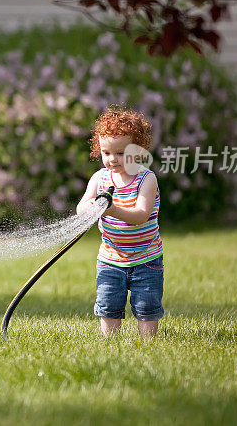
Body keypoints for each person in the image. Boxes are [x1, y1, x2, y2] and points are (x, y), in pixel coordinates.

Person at [76, 106, 164, 337]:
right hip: (110, 259)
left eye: (121, 153)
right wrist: (93, 206)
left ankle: (149, 345)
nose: (112, 159)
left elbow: (141, 214)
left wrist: (112, 209)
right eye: (106, 153)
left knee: (147, 306)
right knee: (108, 305)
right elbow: (81, 207)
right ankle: (110, 344)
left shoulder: (147, 179)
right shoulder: (100, 178)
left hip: (146, 259)